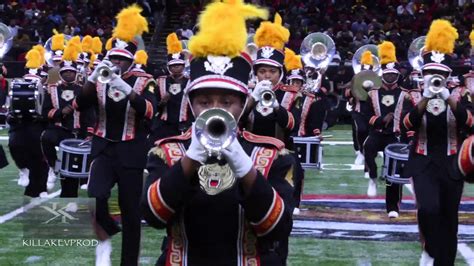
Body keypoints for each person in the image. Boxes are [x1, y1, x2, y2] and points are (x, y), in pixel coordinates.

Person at [142, 1, 294, 265]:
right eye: (204, 102)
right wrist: (192, 155)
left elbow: (278, 227)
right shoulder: (166, 151)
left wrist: (241, 160)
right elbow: (154, 215)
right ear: (191, 104)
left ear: (242, 103)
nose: (215, 110)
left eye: (226, 102)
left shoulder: (273, 155)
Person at [74, 5, 156, 266]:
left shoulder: (145, 80)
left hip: (131, 150)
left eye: (121, 59)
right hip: (103, 147)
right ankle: (106, 234)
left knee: (131, 210)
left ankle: (128, 262)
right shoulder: (100, 78)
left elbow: (150, 110)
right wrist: (92, 78)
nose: (116, 63)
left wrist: (128, 89)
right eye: (113, 58)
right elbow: (80, 104)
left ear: (131, 60)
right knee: (96, 194)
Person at [403, 19, 472, 265]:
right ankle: (429, 246)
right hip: (423, 162)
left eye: (441, 74)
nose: (436, 78)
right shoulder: (412, 94)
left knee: (449, 218)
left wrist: (450, 99)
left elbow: (471, 123)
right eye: (432, 74)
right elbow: (406, 125)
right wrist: (424, 99)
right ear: (424, 73)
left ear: (448, 75)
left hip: (452, 163)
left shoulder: (460, 93)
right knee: (429, 209)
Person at [41, 36, 94, 195]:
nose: (69, 74)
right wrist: (59, 113)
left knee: (74, 165)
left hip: (77, 131)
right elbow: (45, 112)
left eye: (72, 71)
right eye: (66, 71)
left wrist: (89, 133)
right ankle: (52, 166)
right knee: (45, 137)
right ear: (61, 73)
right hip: (58, 129)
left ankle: (77, 186)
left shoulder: (83, 90)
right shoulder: (51, 89)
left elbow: (89, 114)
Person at [364, 42, 410, 220]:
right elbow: (366, 116)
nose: (390, 77)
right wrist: (381, 120)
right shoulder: (372, 93)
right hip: (377, 132)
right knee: (368, 148)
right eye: (388, 74)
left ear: (397, 75)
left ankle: (393, 206)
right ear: (383, 75)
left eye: (393, 74)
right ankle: (373, 178)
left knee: (394, 169)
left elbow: (410, 117)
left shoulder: (405, 94)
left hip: (395, 135)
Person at [8, 47, 49, 197]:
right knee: (14, 146)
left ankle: (39, 189)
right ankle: (23, 169)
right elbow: (9, 112)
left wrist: (43, 117)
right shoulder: (17, 89)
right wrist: (12, 116)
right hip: (19, 126)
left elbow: (50, 110)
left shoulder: (48, 91)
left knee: (38, 157)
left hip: (38, 126)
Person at [150, 32, 191, 143]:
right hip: (164, 125)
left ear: (183, 65)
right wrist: (162, 102)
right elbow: (153, 106)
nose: (176, 68)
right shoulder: (160, 81)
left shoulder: (191, 82)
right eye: (173, 65)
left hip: (185, 125)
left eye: (178, 65)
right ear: (168, 67)